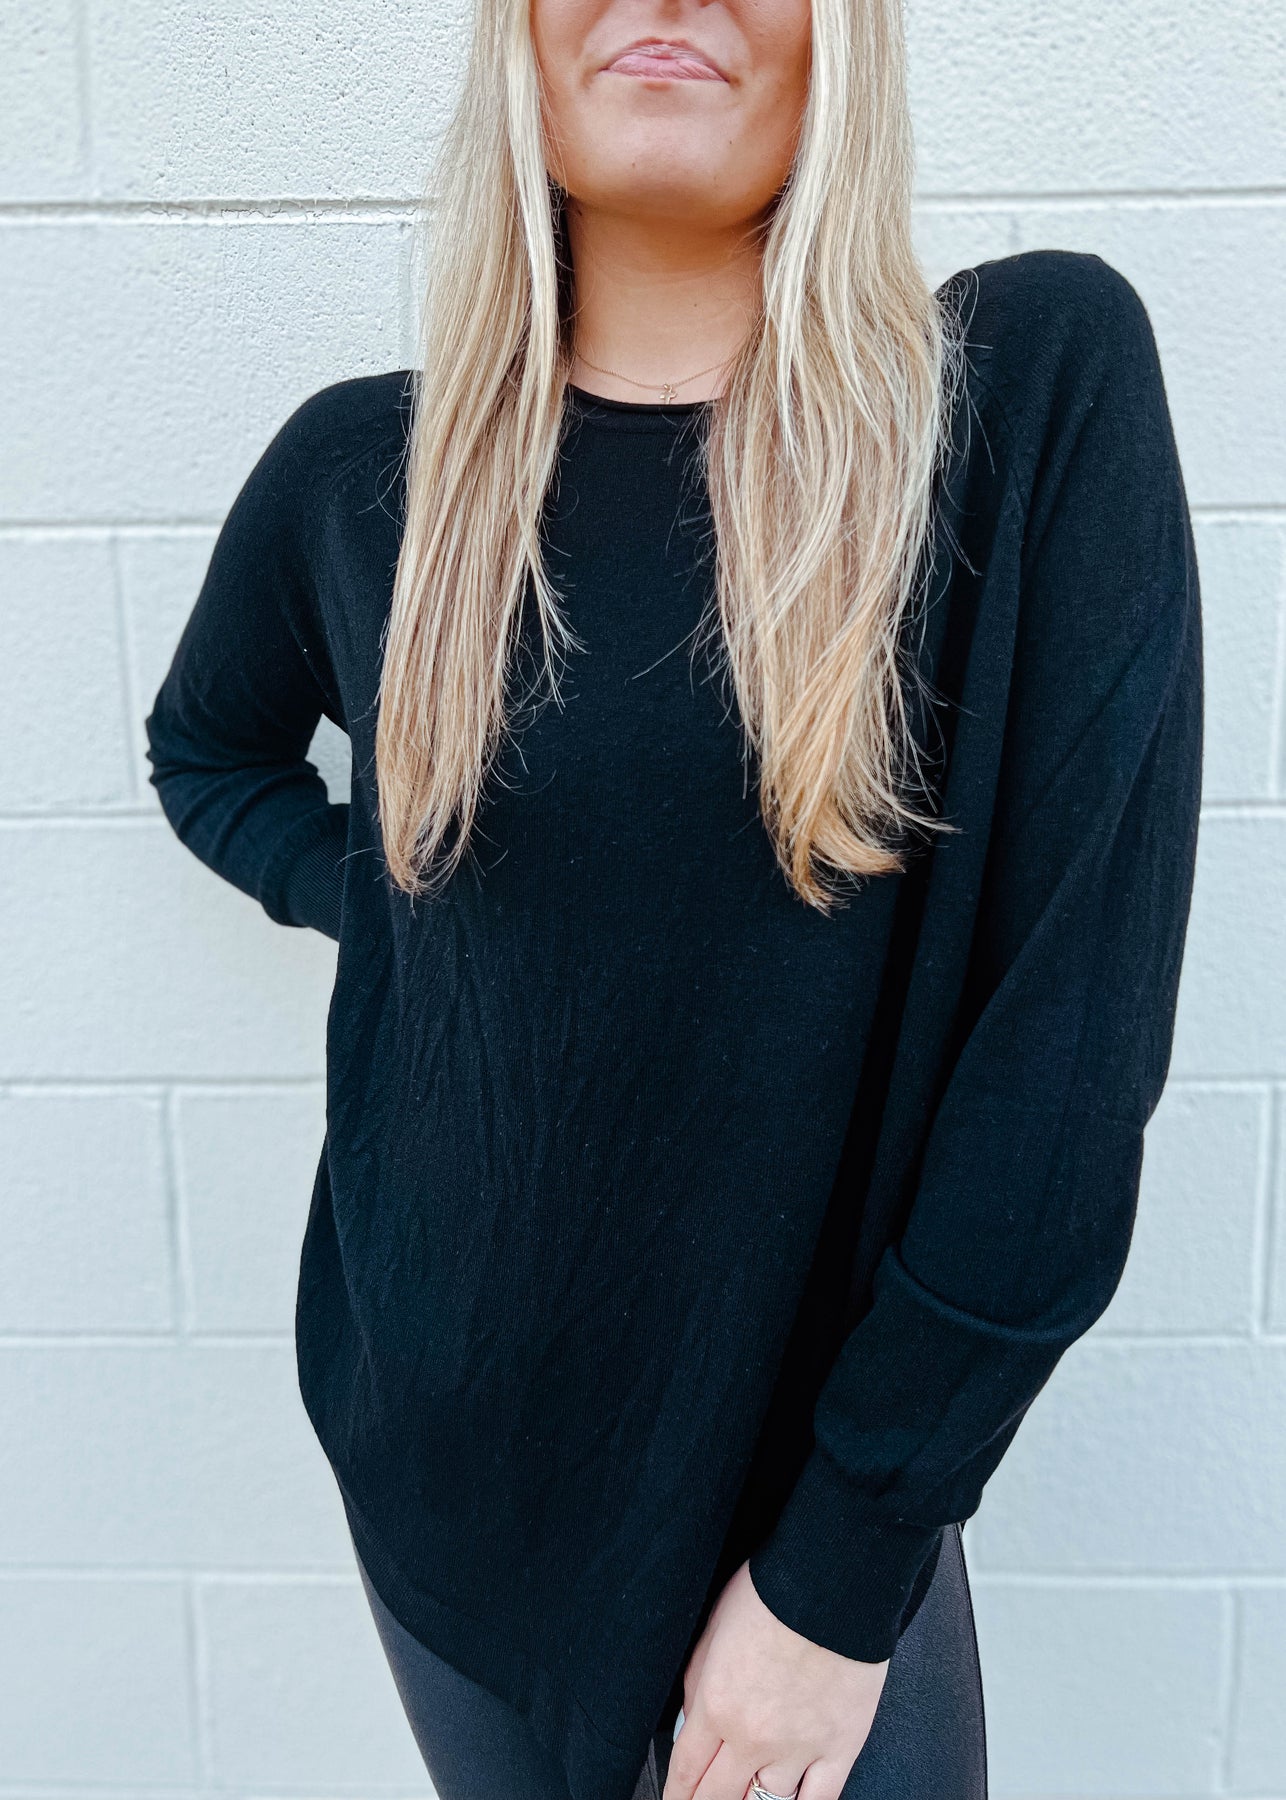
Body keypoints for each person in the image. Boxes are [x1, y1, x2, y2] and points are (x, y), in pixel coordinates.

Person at [142, 2, 1204, 1797]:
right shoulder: (366, 475)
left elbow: (1066, 1055)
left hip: (803, 1512)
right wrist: (385, 908)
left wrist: (840, 1579)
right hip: (443, 1477)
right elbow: (207, 751)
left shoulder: (1016, 400)